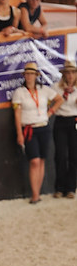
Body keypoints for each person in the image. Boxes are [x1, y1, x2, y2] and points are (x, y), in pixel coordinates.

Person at [12, 61, 63, 204]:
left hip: (44, 127)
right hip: (29, 128)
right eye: (27, 74)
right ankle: (34, 194)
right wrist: (19, 133)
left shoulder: (44, 90)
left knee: (41, 160)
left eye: (32, 74)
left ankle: (38, 193)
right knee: (34, 161)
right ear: (24, 76)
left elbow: (59, 99)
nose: (29, 76)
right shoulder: (19, 92)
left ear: (36, 75)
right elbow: (17, 114)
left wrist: (50, 112)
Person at [51, 60, 77, 199]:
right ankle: (59, 188)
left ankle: (71, 188)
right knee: (60, 155)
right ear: (64, 75)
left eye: (73, 72)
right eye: (68, 73)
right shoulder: (56, 87)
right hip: (60, 120)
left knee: (74, 155)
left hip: (75, 120)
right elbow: (50, 102)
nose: (71, 75)